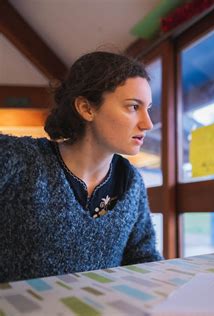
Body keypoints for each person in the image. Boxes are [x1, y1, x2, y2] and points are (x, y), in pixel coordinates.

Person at [0, 51, 163, 283]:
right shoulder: (17, 159)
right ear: (87, 108)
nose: (147, 123)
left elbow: (143, 258)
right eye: (133, 107)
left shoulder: (130, 180)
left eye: (147, 108)